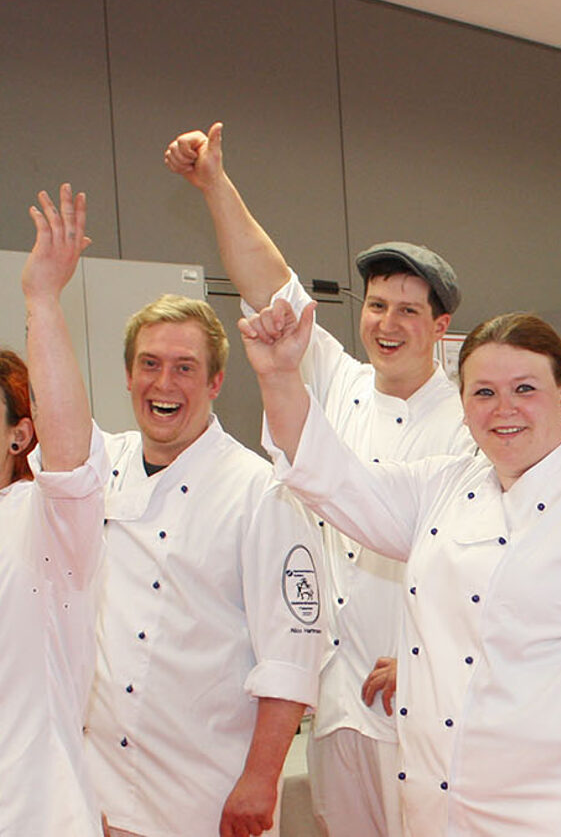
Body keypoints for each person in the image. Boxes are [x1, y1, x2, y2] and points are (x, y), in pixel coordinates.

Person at [242, 298, 561, 836]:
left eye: (524, 389)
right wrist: (278, 375)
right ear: (461, 406)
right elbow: (329, 477)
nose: (503, 408)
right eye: (483, 392)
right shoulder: (443, 486)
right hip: (446, 816)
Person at [166, 123, 475, 837]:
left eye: (407, 309)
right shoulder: (334, 379)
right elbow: (267, 281)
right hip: (339, 703)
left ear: (441, 324)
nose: (387, 323)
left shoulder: (470, 422)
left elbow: (494, 559)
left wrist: (436, 657)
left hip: (425, 704)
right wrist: (216, 185)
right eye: (375, 305)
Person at [84, 289, 324, 837]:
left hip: (206, 796)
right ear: (127, 375)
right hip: (99, 790)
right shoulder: (103, 465)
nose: (164, 384)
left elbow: (292, 656)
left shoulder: (262, 493)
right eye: (150, 364)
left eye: (185, 368)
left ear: (215, 383)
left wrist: (261, 783)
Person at [2, 185, 108, 835]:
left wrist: (41, 301)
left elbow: (69, 454)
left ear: (19, 433)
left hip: (34, 812)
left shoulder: (40, 520)